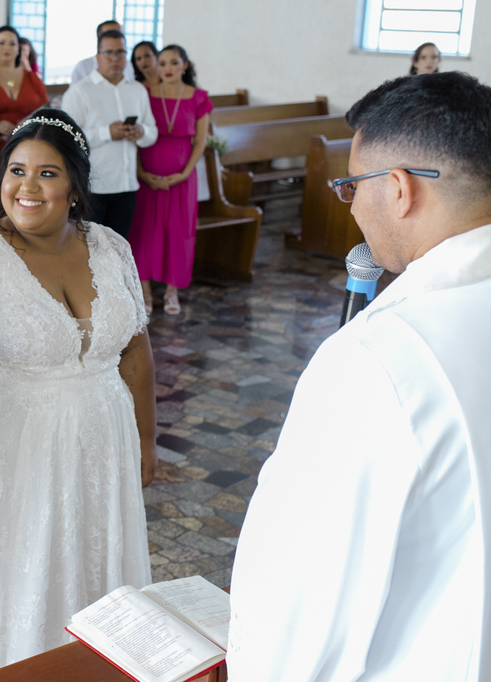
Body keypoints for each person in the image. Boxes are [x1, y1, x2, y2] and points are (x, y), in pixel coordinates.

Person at [228, 70, 491, 681]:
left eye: (350, 186)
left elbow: (301, 595)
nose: (350, 207)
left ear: (398, 189)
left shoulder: (379, 358)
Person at [0, 108, 156, 680]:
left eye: (47, 174)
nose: (27, 187)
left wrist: (146, 444)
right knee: (20, 572)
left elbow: (135, 352)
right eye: (16, 171)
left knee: (95, 561)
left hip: (104, 439)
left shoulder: (110, 246)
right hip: (13, 449)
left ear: (75, 186)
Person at [129, 45, 210, 315]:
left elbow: (201, 140)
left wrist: (184, 173)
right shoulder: (144, 93)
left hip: (182, 179)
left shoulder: (199, 98)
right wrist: (142, 173)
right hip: (146, 179)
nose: (167, 68)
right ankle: (146, 293)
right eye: (162, 63)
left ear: (185, 65)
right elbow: (135, 139)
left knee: (178, 233)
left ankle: (172, 292)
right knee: (144, 232)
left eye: (174, 63)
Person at [61, 30, 158, 238]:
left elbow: (152, 132)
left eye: (121, 52)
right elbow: (67, 139)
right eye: (109, 52)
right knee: (88, 250)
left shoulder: (137, 90)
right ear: (98, 56)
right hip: (92, 188)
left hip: (126, 185)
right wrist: (107, 132)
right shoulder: (80, 92)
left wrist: (141, 132)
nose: (115, 58)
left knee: (118, 249)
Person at [0, 25, 49, 178]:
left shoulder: (31, 78)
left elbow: (45, 109)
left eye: (12, 44)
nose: (7, 47)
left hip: (27, 146)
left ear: (19, 48)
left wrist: (28, 124)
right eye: (2, 42)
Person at [70, 20, 123, 86]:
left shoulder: (128, 65)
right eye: (108, 34)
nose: (114, 38)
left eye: (118, 33)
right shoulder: (83, 67)